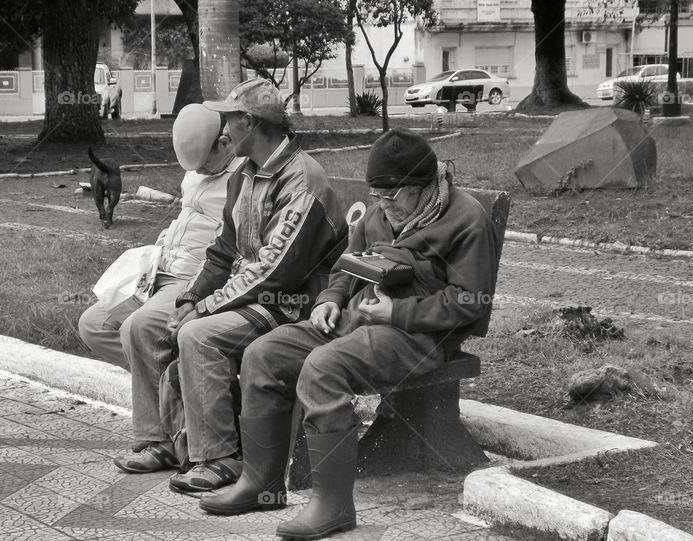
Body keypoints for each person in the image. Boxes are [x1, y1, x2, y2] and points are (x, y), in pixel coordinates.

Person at [199, 128, 501, 540]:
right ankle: (261, 483)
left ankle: (334, 506)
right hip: (353, 320)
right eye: (376, 195)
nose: (382, 204)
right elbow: (345, 266)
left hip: (418, 337)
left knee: (323, 369)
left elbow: (470, 300)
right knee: (263, 354)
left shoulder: (466, 218)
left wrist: (399, 311)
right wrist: (330, 299)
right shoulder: (383, 209)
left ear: (423, 185)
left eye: (392, 196)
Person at [164, 78, 348, 493]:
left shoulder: (301, 180)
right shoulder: (244, 174)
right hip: (255, 296)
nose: (223, 132)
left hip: (292, 304)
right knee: (175, 327)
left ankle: (221, 459)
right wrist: (190, 298)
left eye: (228, 120)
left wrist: (204, 309)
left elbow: (274, 273)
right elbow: (223, 249)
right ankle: (182, 445)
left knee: (199, 336)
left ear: (249, 122)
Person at [77, 103, 239, 470]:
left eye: (204, 163)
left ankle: (158, 440)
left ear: (225, 143)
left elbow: (229, 248)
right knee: (94, 324)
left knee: (140, 326)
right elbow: (187, 215)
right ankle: (177, 388)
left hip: (194, 279)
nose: (197, 172)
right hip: (161, 268)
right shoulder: (195, 172)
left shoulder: (243, 176)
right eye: (191, 167)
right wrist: (161, 245)